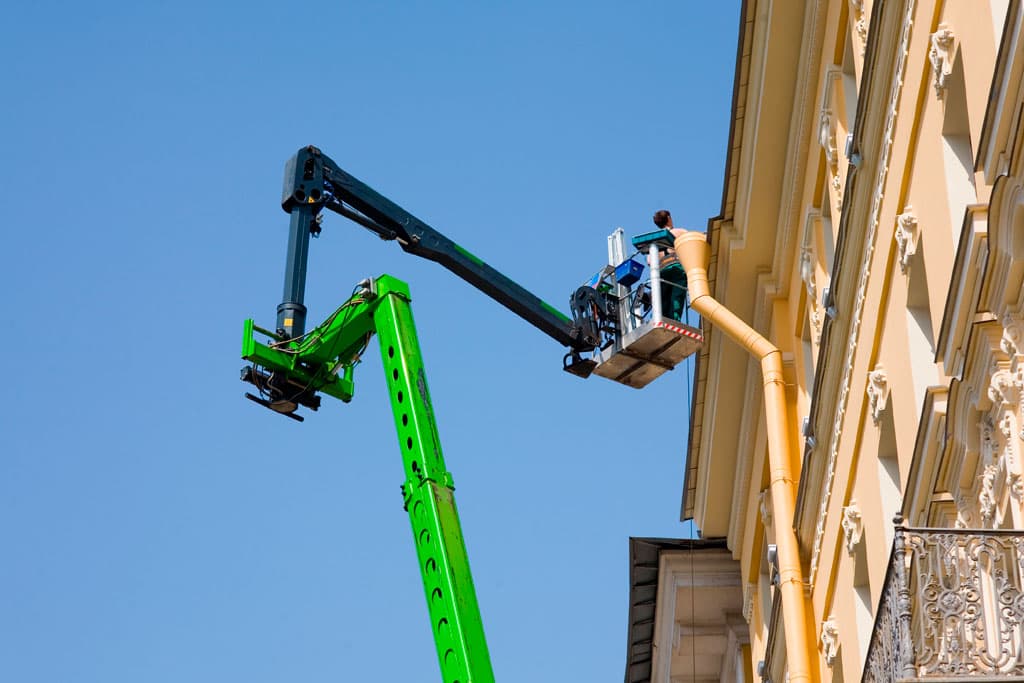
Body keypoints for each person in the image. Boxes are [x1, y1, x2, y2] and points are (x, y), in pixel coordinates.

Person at [651, 209, 688, 321]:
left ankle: (663, 320)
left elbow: (649, 261)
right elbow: (693, 241)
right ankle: (675, 321)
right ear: (668, 218)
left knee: (663, 299)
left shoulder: (654, 239)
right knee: (677, 297)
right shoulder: (679, 232)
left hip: (661, 271)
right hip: (676, 267)